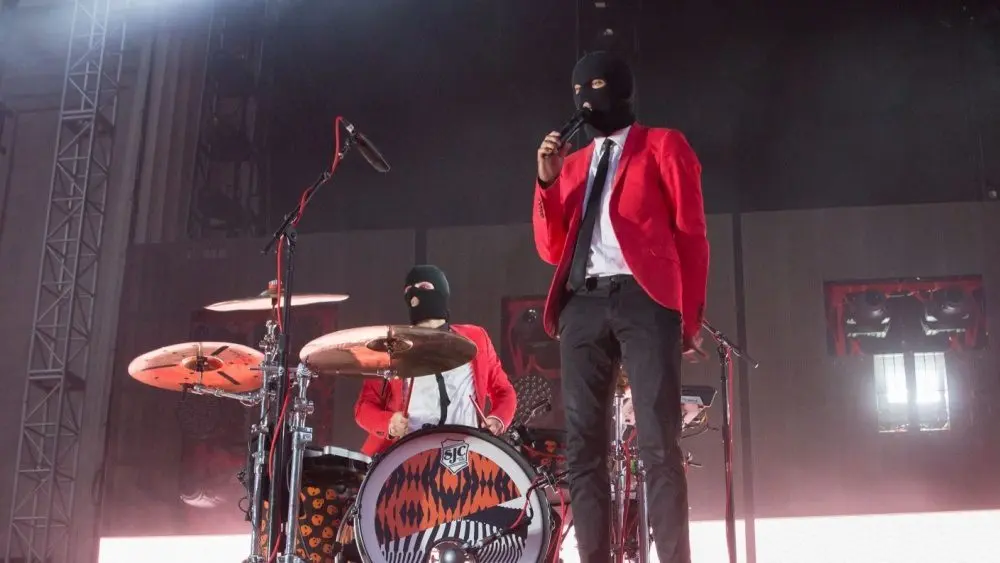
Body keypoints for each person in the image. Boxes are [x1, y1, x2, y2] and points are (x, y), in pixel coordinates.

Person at [531, 51, 709, 563]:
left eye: (598, 85)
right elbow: (550, 249)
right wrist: (546, 182)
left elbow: (692, 238)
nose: (586, 97)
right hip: (582, 303)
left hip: (644, 299)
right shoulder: (574, 163)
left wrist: (687, 318)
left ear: (623, 90)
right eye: (577, 90)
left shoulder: (663, 145)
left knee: (659, 444)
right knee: (583, 450)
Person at [354, 265, 517, 457]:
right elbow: (363, 409)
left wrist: (497, 419)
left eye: (423, 286)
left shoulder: (475, 338)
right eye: (408, 290)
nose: (414, 294)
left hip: (466, 452)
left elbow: (503, 391)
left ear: (441, 291)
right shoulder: (391, 349)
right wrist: (389, 423)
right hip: (408, 454)